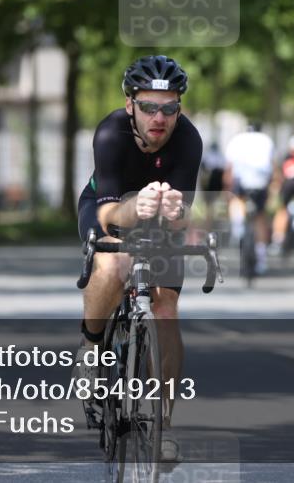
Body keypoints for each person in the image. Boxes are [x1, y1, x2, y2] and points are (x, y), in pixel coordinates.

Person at [75, 55, 201, 462]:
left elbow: (181, 219)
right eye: (149, 106)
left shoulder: (188, 139)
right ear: (131, 104)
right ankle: (92, 345)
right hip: (107, 207)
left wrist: (176, 212)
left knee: (165, 307)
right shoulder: (111, 133)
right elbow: (111, 215)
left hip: (158, 219)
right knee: (113, 264)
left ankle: (163, 421)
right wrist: (136, 207)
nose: (159, 117)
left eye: (169, 107)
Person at [223, 122, 275, 274]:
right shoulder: (267, 140)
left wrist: (227, 188)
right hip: (260, 182)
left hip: (241, 182)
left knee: (236, 202)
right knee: (260, 218)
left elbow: (229, 168)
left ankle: (237, 227)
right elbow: (272, 165)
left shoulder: (237, 139)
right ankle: (261, 259)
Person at [271, 135, 294, 254]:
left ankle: (278, 238)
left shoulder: (287, 159)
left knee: (281, 212)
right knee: (283, 212)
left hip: (291, 191)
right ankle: (279, 238)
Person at [199, 141, 227, 230]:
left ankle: (211, 224)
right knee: (213, 205)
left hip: (213, 182)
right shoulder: (219, 156)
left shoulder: (210, 156)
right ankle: (211, 225)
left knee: (211, 206)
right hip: (213, 183)